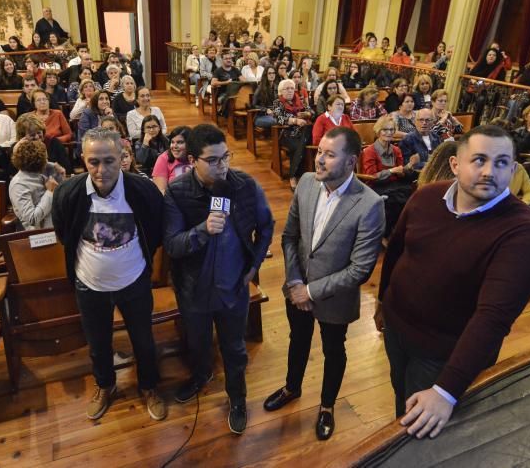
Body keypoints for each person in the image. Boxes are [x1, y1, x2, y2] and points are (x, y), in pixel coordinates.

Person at [377, 125, 530, 439]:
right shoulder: (427, 197)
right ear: (455, 164)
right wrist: (382, 303)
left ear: (512, 169)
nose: (489, 171)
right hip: (397, 329)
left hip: (442, 353)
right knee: (401, 401)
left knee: (425, 432)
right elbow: (397, 250)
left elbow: (493, 318)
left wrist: (446, 390)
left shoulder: (523, 230)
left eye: (501, 163)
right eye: (478, 160)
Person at [265, 126, 384, 441]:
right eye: (320, 152)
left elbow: (360, 269)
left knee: (334, 349)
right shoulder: (306, 183)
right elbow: (290, 236)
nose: (319, 160)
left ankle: (327, 406)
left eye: (330, 155)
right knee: (298, 339)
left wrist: (311, 291)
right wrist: (294, 281)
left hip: (333, 298)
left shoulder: (369, 204)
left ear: (350, 162)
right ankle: (292, 387)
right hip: (296, 288)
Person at [164, 124, 274, 434]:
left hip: (233, 285)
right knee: (198, 342)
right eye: (213, 160)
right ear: (192, 159)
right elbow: (172, 244)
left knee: (234, 348)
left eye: (225, 157)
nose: (222, 166)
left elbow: (267, 226)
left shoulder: (244, 185)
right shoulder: (177, 191)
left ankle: (237, 398)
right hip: (193, 288)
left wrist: (252, 269)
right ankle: (201, 376)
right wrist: (203, 230)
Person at [51, 127, 167, 422]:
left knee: (143, 339)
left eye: (109, 161)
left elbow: (154, 231)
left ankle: (149, 386)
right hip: (90, 284)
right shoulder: (68, 192)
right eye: (93, 161)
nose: (101, 170)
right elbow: (65, 234)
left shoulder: (142, 191)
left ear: (122, 158)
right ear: (82, 159)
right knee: (98, 342)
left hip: (134, 280)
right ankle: (106, 385)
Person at [362, 116, 419, 234]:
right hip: (377, 186)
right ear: (378, 131)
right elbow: (371, 176)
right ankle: (388, 233)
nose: (389, 133)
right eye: (385, 130)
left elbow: (401, 174)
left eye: (391, 130)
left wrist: (409, 166)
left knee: (411, 196)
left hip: (395, 185)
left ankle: (400, 232)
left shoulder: (396, 150)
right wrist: (391, 171)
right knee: (395, 200)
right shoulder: (369, 151)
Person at [9, 139, 61, 230]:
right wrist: (49, 192)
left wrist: (60, 176)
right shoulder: (19, 185)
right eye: (46, 159)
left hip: (54, 225)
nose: (47, 161)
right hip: (37, 235)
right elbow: (32, 219)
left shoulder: (38, 174)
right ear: (38, 162)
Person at [273, 79, 315, 190]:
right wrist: (295, 121)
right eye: (287, 88)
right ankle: (294, 175)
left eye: (292, 88)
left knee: (309, 138)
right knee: (296, 145)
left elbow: (313, 113)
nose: (290, 90)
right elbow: (279, 118)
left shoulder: (300, 100)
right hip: (288, 132)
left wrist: (306, 114)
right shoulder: (278, 102)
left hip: (304, 130)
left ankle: (297, 174)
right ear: (281, 91)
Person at [152, 126, 191, 193]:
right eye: (172, 142)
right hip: (173, 201)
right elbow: (160, 191)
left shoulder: (198, 157)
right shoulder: (163, 158)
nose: (174, 146)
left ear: (190, 144)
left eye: (180, 142)